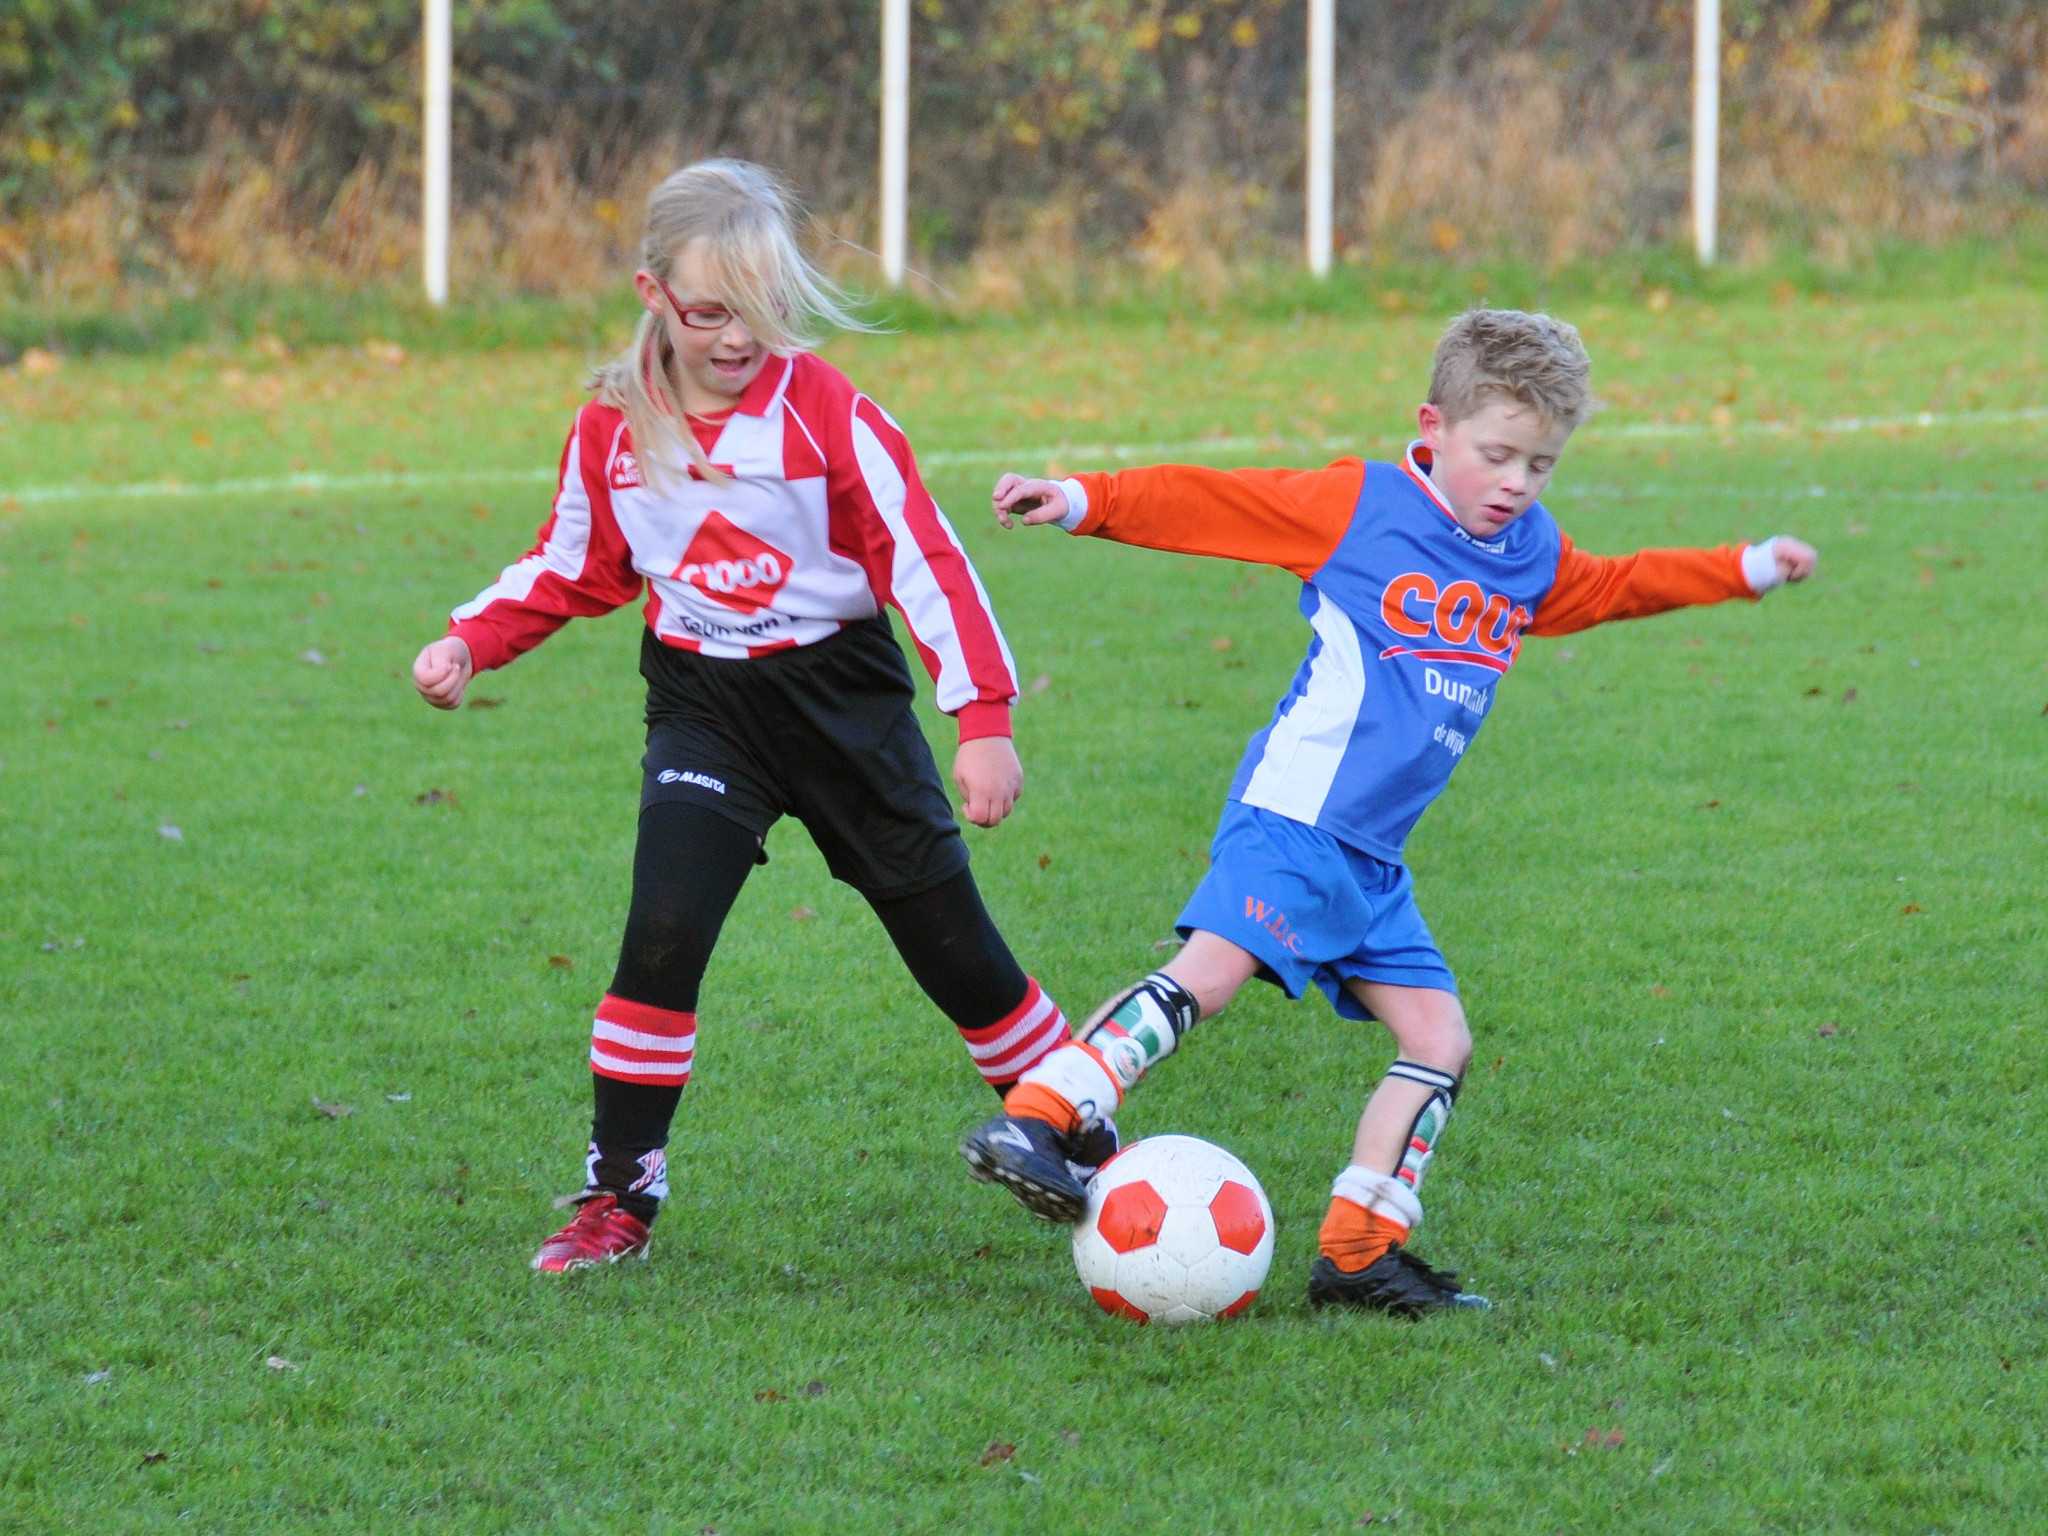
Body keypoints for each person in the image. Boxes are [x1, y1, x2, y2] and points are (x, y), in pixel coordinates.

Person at [959, 308, 1819, 1315]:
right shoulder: (1360, 505)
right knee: (1211, 975)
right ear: (1433, 427)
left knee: (1437, 1037)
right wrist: (1079, 499)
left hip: (1372, 860)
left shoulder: (1527, 552)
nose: (1515, 482)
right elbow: (1214, 503)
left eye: (1539, 465)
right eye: (1496, 455)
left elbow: (1612, 585)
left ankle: (1359, 1253)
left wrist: (1743, 569)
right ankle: (1039, 1115)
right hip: (1296, 815)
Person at [412, 159, 1091, 1272]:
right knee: (661, 936)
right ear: (653, 294)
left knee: (962, 961)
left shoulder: (829, 415)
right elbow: (575, 564)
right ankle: (618, 1197)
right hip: (704, 708)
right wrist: (468, 640)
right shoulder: (613, 428)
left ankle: (1080, 1140)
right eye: (711, 312)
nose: (739, 337)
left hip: (842, 705)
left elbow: (925, 563)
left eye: (763, 309)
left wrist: (983, 720)